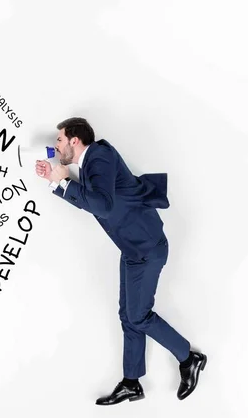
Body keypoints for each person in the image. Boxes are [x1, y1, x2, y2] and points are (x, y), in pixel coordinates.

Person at [35, 117, 207, 405]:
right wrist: (56, 184)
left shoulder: (99, 156)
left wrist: (63, 179)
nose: (57, 146)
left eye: (59, 140)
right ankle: (131, 382)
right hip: (132, 249)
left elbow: (102, 206)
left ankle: (189, 358)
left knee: (139, 315)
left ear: (74, 140)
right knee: (128, 315)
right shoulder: (90, 163)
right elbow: (94, 202)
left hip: (148, 248)